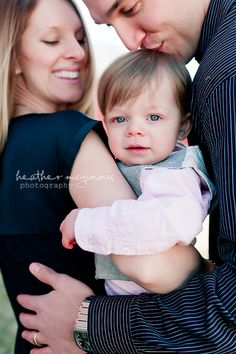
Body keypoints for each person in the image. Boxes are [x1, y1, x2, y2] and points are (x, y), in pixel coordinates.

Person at [17, 0, 236, 353]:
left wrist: (88, 225)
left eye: (130, 8)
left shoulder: (223, 80)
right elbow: (155, 265)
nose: (130, 40)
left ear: (183, 126)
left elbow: (161, 243)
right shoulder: (70, 138)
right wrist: (205, 269)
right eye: (51, 40)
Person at [0, 0, 136, 352]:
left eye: (79, 38)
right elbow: (148, 262)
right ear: (13, 57)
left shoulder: (9, 148)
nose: (77, 52)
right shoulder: (67, 136)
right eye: (51, 40)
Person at [61, 49, 215, 296]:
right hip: (126, 304)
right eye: (120, 119)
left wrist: (87, 223)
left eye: (153, 117)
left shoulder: (176, 174)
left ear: (182, 126)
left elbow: (166, 223)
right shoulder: (117, 164)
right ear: (106, 126)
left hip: (166, 309)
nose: (134, 129)